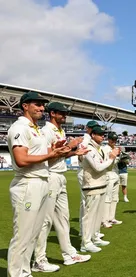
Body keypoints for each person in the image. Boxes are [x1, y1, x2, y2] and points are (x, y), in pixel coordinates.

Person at [6, 92, 70, 277]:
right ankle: (16, 274)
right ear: (25, 106)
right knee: (23, 235)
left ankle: (25, 272)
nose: (42, 108)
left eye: (43, 105)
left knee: (33, 234)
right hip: (28, 184)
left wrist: (58, 151)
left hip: (41, 181)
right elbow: (21, 159)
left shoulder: (36, 130)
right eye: (37, 104)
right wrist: (50, 155)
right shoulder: (20, 128)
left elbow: (45, 158)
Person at [32, 102, 91, 272]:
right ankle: (39, 260)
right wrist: (71, 146)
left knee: (63, 218)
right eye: (61, 113)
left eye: (65, 113)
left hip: (60, 176)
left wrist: (74, 152)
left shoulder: (60, 131)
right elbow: (48, 158)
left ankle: (69, 254)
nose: (64, 116)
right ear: (52, 113)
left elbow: (59, 155)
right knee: (46, 221)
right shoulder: (46, 132)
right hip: (50, 176)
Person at [80, 126, 120, 253]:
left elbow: (106, 168)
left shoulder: (98, 149)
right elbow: (97, 167)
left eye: (104, 134)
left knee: (97, 215)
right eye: (100, 134)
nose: (103, 136)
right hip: (92, 185)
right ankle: (85, 243)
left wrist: (111, 159)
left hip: (101, 184)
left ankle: (94, 237)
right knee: (89, 215)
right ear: (93, 135)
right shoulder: (89, 148)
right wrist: (111, 158)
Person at [77, 120, 99, 234]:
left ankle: (92, 229)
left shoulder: (92, 140)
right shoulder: (85, 140)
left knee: (93, 201)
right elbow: (81, 155)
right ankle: (84, 230)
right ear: (88, 129)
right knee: (86, 202)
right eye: (93, 128)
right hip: (85, 171)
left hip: (91, 172)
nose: (95, 130)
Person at [102, 132, 123, 226]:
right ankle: (104, 220)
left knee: (115, 198)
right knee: (107, 198)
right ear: (108, 140)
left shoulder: (115, 149)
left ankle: (111, 218)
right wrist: (116, 158)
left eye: (115, 140)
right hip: (108, 174)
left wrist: (121, 158)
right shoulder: (105, 149)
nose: (114, 141)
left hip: (115, 174)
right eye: (112, 140)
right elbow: (107, 162)